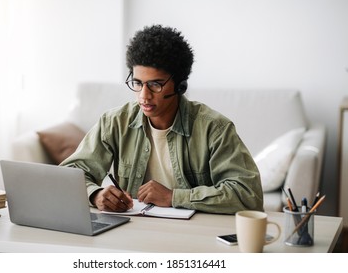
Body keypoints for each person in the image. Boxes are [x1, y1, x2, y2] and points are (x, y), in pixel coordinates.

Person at [61, 24, 263, 214]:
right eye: (138, 83)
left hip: (192, 235)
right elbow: (70, 175)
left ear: (180, 86)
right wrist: (95, 194)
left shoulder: (215, 128)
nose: (144, 96)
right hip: (132, 229)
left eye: (155, 85)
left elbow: (248, 194)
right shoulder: (114, 122)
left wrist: (174, 197)